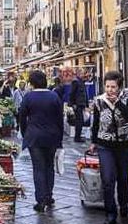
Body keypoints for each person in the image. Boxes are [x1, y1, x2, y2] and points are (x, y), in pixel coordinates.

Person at [90, 71, 128, 224]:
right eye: (107, 86)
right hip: (105, 146)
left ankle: (123, 204)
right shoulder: (99, 101)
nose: (110, 90)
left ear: (119, 86)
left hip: (125, 145)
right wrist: (94, 141)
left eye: (113, 87)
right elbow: (96, 123)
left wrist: (117, 102)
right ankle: (110, 212)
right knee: (108, 179)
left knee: (123, 178)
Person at [19, 70, 64, 212]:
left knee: (38, 168)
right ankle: (49, 196)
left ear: (32, 83)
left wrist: (25, 132)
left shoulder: (28, 97)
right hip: (52, 137)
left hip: (34, 137)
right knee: (49, 166)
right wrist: (60, 139)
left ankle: (40, 200)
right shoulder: (54, 96)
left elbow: (21, 117)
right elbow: (60, 119)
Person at [69, 70, 88, 143]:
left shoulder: (81, 82)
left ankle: (78, 136)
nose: (84, 75)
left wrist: (86, 105)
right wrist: (73, 104)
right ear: (79, 74)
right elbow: (72, 93)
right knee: (79, 121)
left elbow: (84, 94)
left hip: (81, 104)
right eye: (83, 73)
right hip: (77, 105)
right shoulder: (76, 82)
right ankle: (77, 138)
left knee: (80, 121)